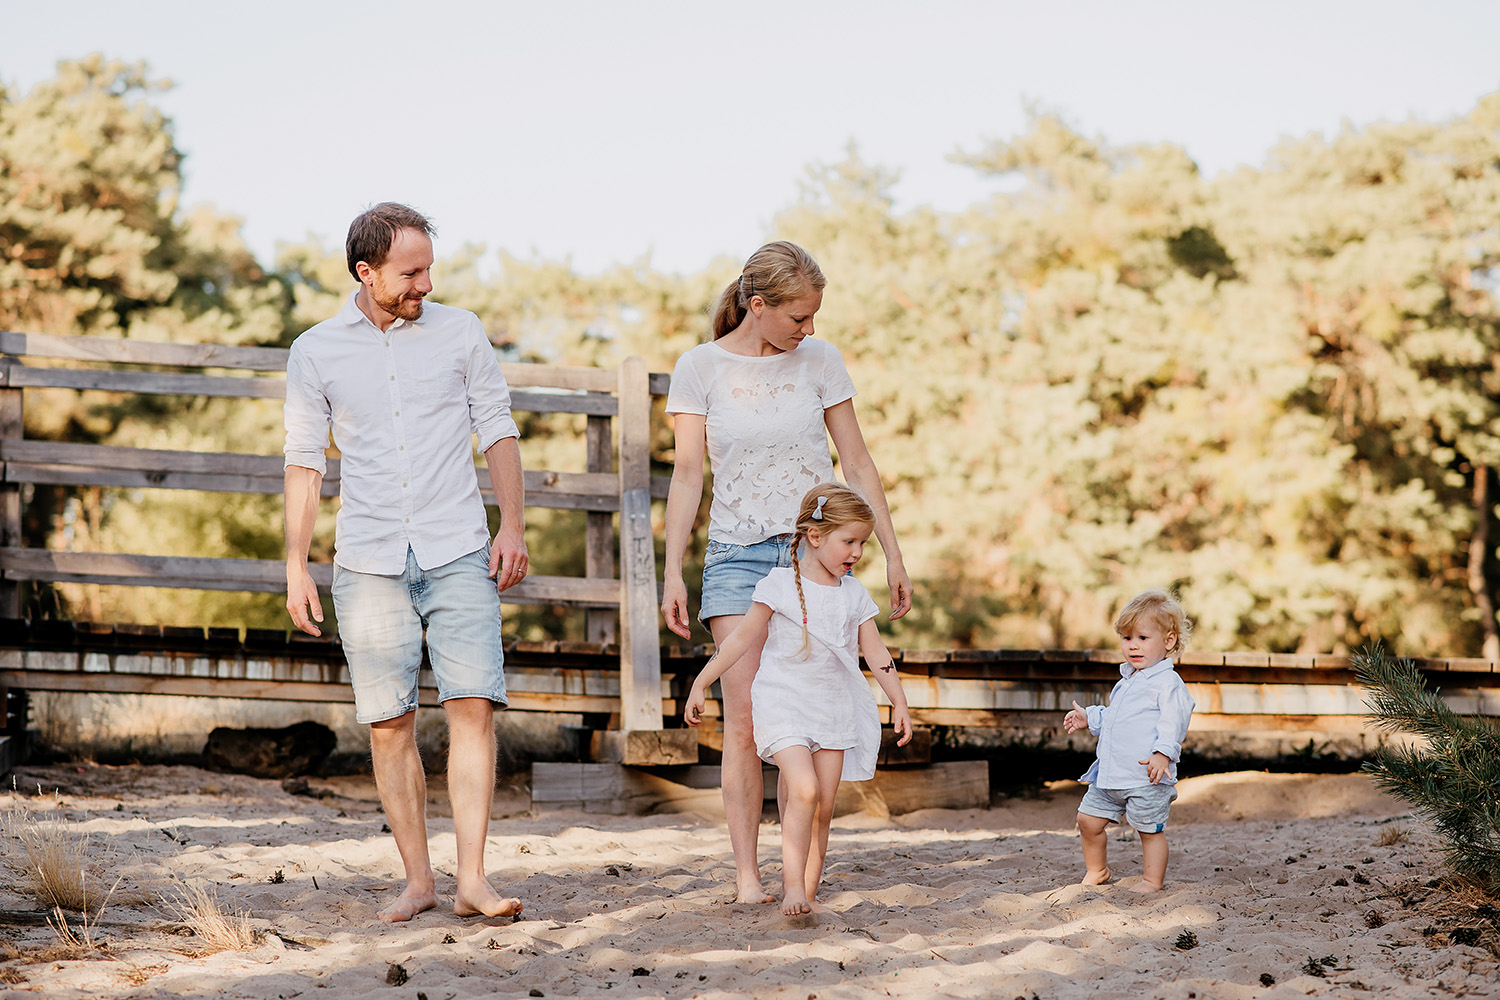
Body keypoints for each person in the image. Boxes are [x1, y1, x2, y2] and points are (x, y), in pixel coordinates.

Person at [282, 203, 528, 923]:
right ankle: (419, 881)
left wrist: (511, 525)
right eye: (409, 271)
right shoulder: (316, 350)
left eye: (429, 268)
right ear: (367, 271)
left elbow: (498, 428)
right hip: (368, 558)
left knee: (473, 708)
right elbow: (304, 463)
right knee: (389, 723)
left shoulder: (461, 331)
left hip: (458, 547)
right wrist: (296, 564)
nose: (425, 283)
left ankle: (474, 880)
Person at [662, 241, 913, 904]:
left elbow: (856, 464)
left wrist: (891, 551)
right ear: (757, 304)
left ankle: (800, 874)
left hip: (816, 558)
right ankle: (749, 877)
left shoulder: (821, 362)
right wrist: (672, 573)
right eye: (798, 317)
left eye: (814, 316)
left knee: (819, 711)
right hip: (736, 557)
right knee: (744, 716)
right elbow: (688, 477)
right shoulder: (699, 368)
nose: (810, 329)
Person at [683, 484, 912, 916]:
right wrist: (702, 681)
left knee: (823, 806)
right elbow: (738, 643)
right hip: (784, 702)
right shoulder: (778, 585)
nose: (858, 553)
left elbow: (877, 653)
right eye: (850, 542)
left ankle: (806, 892)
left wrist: (898, 700)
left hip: (832, 708)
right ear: (815, 536)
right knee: (802, 789)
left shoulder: (854, 593)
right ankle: (791, 888)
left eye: (863, 543)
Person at [1062, 589, 1196, 893]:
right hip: (1111, 775)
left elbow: (1174, 719)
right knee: (1087, 821)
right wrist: (1090, 718)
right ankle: (1097, 871)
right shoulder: (1127, 681)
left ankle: (1152, 880)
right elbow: (1117, 718)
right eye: (1126, 638)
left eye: (1142, 638)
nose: (1133, 646)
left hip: (1146, 776)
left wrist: (1163, 753)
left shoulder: (1167, 683)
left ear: (1169, 640)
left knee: (1149, 831)